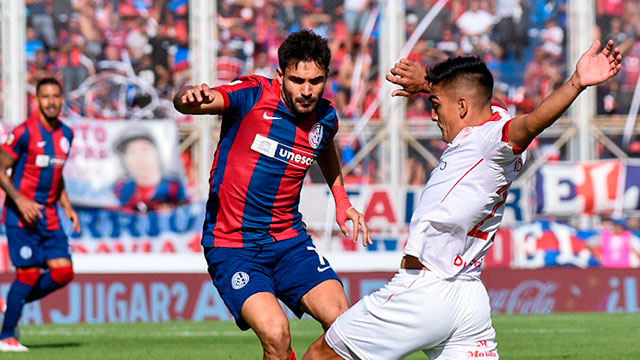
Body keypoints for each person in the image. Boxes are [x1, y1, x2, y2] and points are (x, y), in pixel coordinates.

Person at [304, 39, 622, 360]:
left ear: (461, 107)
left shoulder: (490, 140)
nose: (432, 115)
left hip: (424, 290)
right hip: (468, 298)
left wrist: (576, 83)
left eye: (436, 104)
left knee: (320, 355)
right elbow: (477, 90)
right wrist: (430, 85)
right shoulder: (492, 115)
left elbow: (532, 122)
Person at [173, 30, 371, 360]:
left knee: (345, 324)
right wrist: (188, 96)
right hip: (234, 246)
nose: (307, 91)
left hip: (290, 243)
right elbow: (201, 101)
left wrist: (342, 201)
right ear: (280, 75)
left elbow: (324, 147)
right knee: (277, 336)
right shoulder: (252, 95)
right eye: (297, 80)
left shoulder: (325, 117)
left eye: (316, 81)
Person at [0, 78, 81, 352]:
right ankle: (6, 337)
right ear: (37, 100)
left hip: (50, 215)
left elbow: (56, 176)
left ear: (62, 99)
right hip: (21, 215)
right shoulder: (25, 132)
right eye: (45, 96)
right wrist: (20, 200)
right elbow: (1, 169)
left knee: (63, 272)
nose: (51, 101)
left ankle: (10, 304)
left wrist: (67, 205)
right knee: (28, 274)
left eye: (56, 96)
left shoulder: (66, 134)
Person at [112, 127, 187, 213]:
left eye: (144, 149)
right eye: (131, 151)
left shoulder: (175, 187)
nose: (138, 158)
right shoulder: (120, 189)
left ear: (157, 153)